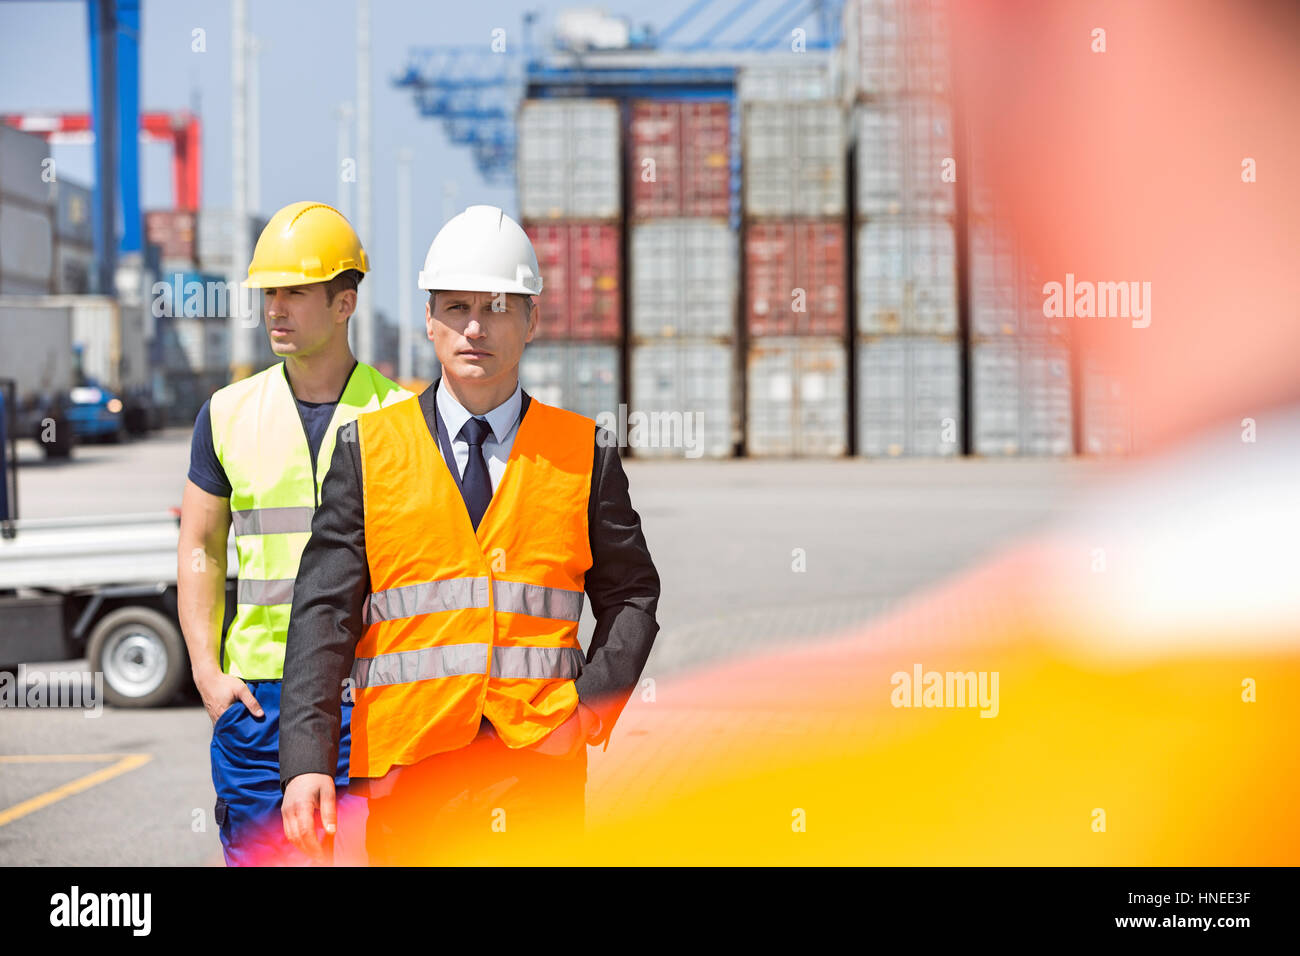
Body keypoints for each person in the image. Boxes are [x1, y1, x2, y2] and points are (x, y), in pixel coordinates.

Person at [278, 204, 661, 864]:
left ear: (532, 319)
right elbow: (321, 615)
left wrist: (590, 711)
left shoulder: (583, 452)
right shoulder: (368, 451)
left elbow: (632, 595)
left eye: (498, 307)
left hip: (538, 771)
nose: (475, 327)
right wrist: (305, 760)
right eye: (455, 308)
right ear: (429, 321)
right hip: (410, 777)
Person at [177, 201, 411, 866]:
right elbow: (201, 545)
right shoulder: (227, 413)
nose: (275, 309)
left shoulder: (402, 418)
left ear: (345, 304)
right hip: (259, 700)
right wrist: (205, 671)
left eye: (295, 293)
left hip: (366, 693)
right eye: (268, 293)